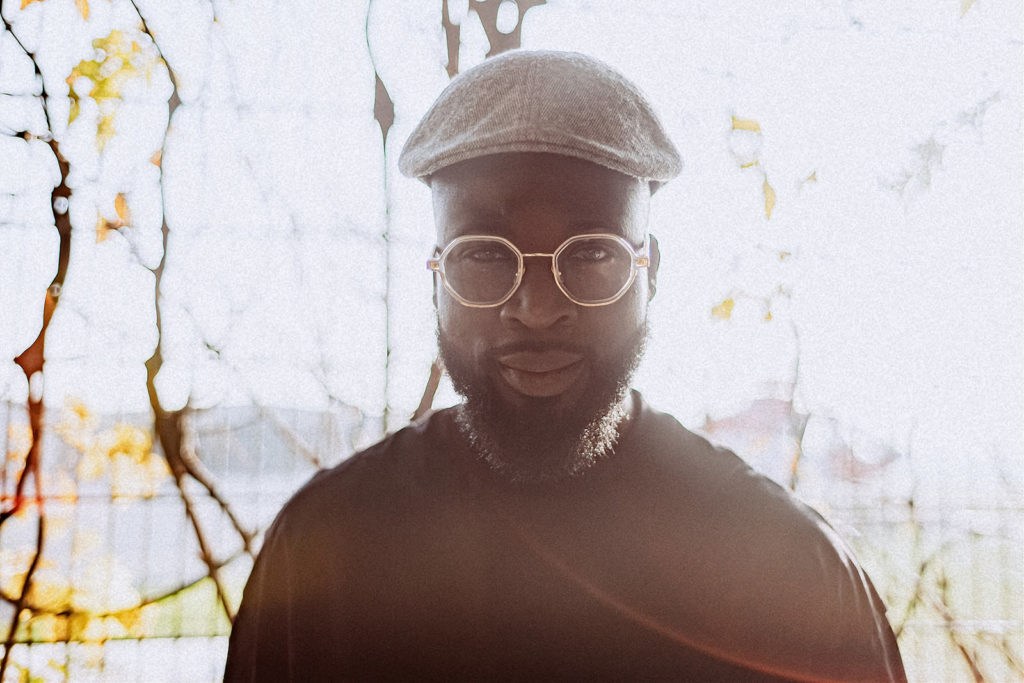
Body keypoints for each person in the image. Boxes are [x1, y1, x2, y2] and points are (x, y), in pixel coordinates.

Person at [223, 50, 905, 681]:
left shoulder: (789, 570)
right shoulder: (324, 558)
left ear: (651, 270)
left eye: (590, 253)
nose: (538, 307)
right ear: (436, 275)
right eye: (486, 255)